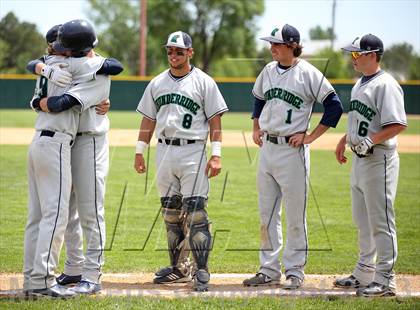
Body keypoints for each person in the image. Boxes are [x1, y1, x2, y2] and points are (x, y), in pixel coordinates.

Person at [23, 19, 122, 298]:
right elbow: (37, 69)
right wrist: (43, 74)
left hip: (89, 139)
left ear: (72, 48)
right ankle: (66, 270)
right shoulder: (58, 64)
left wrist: (43, 81)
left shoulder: (94, 66)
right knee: (61, 213)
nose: (55, 49)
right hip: (62, 142)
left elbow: (112, 65)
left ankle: (91, 274)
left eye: (60, 44)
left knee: (88, 210)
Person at [243, 24, 343, 290]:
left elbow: (334, 106)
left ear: (292, 46)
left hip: (292, 151)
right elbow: (258, 99)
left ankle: (295, 271)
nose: (271, 48)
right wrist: (255, 126)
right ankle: (268, 270)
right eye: (270, 44)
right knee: (267, 214)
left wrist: (310, 137)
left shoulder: (308, 73)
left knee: (295, 214)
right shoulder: (268, 70)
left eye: (276, 44)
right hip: (268, 149)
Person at [134, 31, 228, 292]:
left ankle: (202, 270)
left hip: (192, 151)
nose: (173, 55)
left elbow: (215, 121)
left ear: (190, 52)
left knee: (196, 213)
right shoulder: (156, 83)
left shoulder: (204, 82)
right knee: (171, 214)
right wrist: (140, 150)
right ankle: (179, 268)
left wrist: (217, 154)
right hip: (164, 152)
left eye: (178, 51)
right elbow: (148, 119)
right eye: (170, 51)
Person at [334, 34, 406, 297]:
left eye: (357, 54)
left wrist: (370, 140)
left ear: (372, 55)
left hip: (379, 160)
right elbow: (358, 120)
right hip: (359, 160)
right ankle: (364, 272)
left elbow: (398, 124)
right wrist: (345, 139)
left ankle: (386, 280)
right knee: (362, 221)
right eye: (352, 54)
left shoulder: (386, 85)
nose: (352, 59)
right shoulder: (359, 84)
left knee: (381, 222)